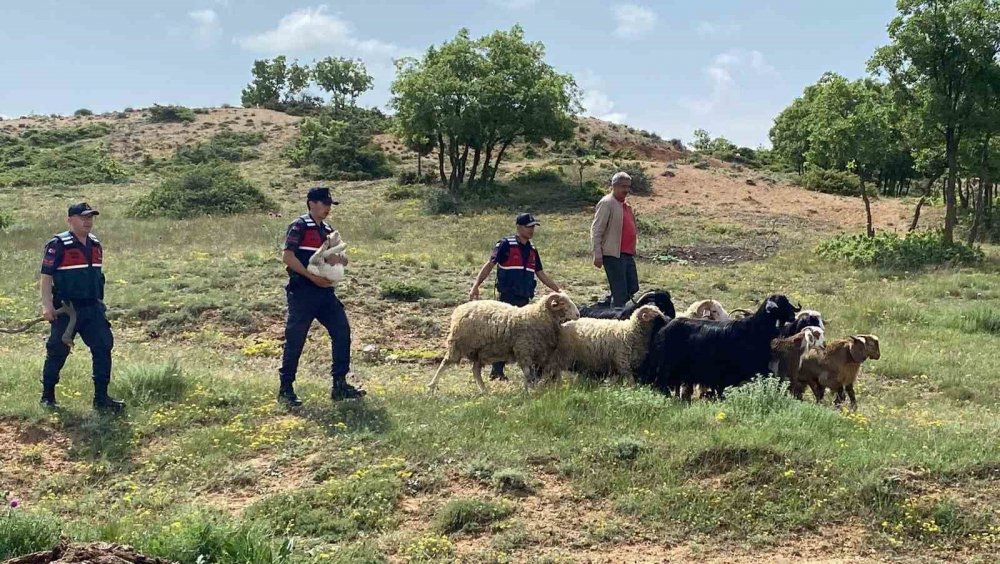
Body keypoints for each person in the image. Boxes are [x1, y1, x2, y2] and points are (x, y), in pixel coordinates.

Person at [278, 187, 365, 406]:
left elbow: (340, 258)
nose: (327, 208)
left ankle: (339, 385)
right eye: (324, 204)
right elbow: (287, 257)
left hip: (325, 292)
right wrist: (310, 276)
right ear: (311, 203)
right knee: (295, 340)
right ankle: (286, 389)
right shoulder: (299, 225)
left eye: (329, 204)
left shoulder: (328, 230)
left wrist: (341, 261)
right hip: (302, 292)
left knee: (342, 332)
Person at [39, 202, 124, 412]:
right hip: (67, 309)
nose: (87, 221)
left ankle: (101, 398)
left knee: (103, 346)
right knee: (57, 350)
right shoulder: (58, 244)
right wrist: (47, 305)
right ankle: (47, 396)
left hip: (93, 308)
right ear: (70, 220)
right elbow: (46, 276)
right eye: (82, 217)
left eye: (90, 217)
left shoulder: (95, 244)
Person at [469, 212, 562, 381]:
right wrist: (476, 285)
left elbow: (540, 273)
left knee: (523, 335)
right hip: (508, 297)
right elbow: (490, 264)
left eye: (533, 227)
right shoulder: (505, 244)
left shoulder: (532, 250)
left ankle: (528, 371)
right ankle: (497, 371)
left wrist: (558, 291)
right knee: (504, 333)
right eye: (529, 227)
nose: (532, 230)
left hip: (524, 297)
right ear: (519, 227)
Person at [591, 171, 639, 308]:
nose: (626, 190)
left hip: (626, 253)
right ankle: (616, 317)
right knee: (620, 292)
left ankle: (605, 305)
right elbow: (597, 229)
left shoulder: (626, 205)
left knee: (633, 286)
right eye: (623, 186)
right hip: (612, 253)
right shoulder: (607, 203)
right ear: (614, 186)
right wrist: (597, 254)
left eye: (628, 186)